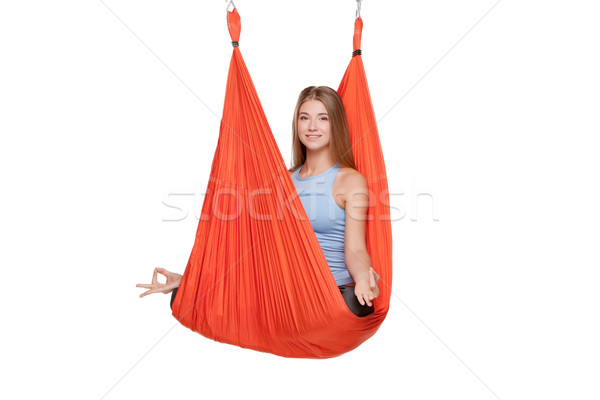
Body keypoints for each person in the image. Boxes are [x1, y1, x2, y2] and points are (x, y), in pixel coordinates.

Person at [137, 86, 379, 317]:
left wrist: (362, 279)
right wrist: (192, 280)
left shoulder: (350, 180)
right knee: (183, 298)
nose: (312, 126)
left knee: (355, 305)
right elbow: (257, 252)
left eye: (323, 118)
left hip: (329, 293)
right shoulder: (283, 180)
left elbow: (355, 249)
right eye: (304, 118)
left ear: (335, 124)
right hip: (283, 293)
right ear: (297, 124)